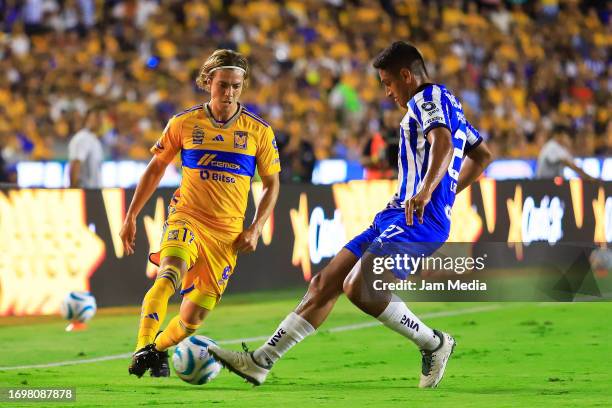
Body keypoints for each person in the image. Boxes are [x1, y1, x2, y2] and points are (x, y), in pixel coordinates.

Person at [209, 41, 493, 389]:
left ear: (406, 75)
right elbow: (482, 157)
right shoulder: (449, 101)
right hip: (395, 215)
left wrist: (427, 193)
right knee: (324, 283)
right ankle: (261, 362)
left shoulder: (426, 99)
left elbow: (444, 144)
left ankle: (434, 343)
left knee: (360, 286)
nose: (387, 92)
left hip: (419, 220)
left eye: (388, 83)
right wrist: (443, 192)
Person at [120, 49, 281, 378]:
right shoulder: (184, 123)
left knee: (193, 319)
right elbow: (155, 168)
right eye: (223, 85)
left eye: (236, 86)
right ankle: (142, 346)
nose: (229, 93)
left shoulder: (258, 131)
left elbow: (271, 184)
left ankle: (159, 350)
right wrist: (131, 214)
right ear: (208, 82)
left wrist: (256, 227)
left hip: (227, 236)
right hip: (187, 218)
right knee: (168, 275)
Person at [68, 106, 105, 188]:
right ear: (87, 119)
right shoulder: (83, 138)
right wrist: (74, 192)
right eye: (97, 117)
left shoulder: (94, 139)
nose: (100, 121)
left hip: (94, 191)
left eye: (101, 118)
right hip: (86, 193)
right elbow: (75, 165)